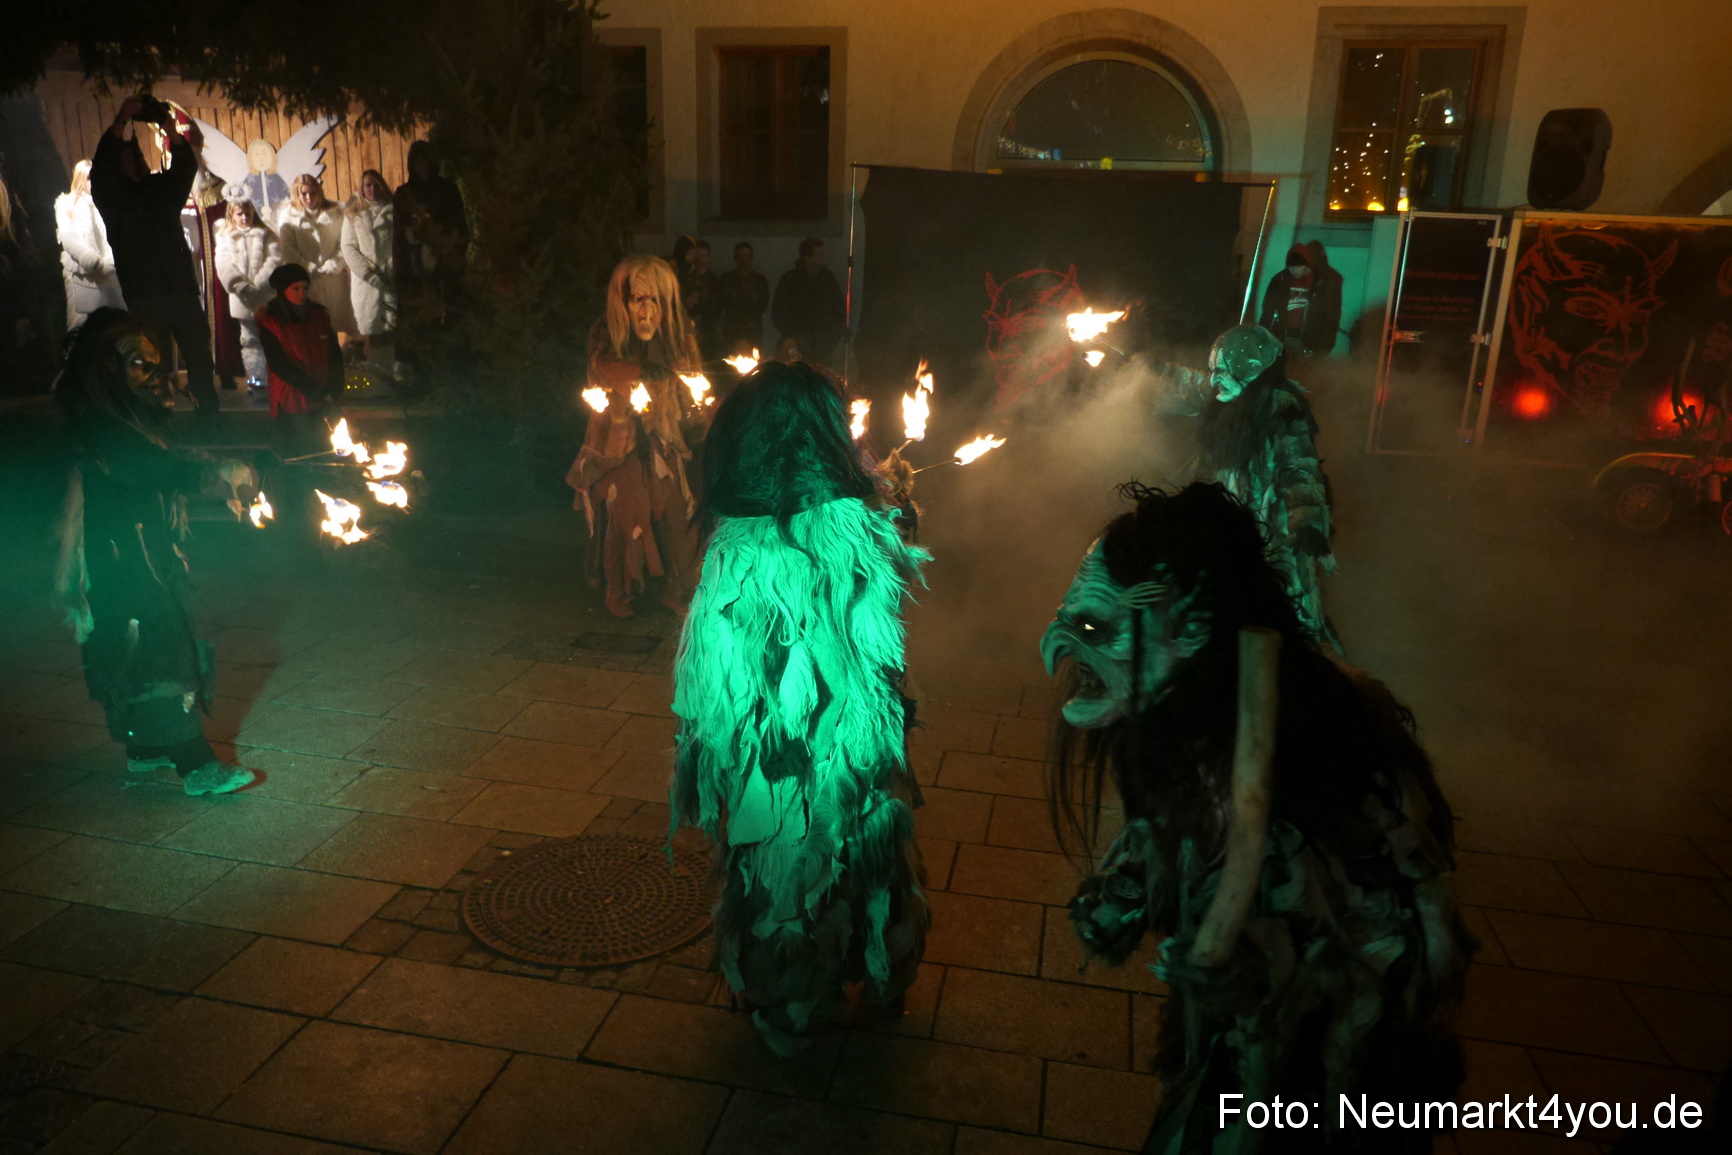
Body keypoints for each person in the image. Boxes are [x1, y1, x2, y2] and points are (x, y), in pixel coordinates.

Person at [1043, 481, 1472, 1154]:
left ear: (1187, 624)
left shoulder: (1300, 758)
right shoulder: (1192, 723)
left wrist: (1258, 964)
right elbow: (1180, 838)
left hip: (1324, 1080)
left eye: (1094, 624)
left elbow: (1392, 934)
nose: (1061, 647)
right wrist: (1131, 884)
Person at [671, 359, 930, 1057]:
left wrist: (717, 750)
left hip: (775, 753)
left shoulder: (738, 541)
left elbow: (719, 669)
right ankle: (878, 976)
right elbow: (883, 634)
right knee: (864, 847)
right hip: (852, 740)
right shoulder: (859, 526)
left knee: (784, 866)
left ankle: (791, 1002)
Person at [53, 308, 260, 796]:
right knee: (156, 638)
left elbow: (158, 458)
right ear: (108, 367)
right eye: (137, 365)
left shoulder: (117, 409)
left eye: (152, 362)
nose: (150, 374)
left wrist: (212, 467)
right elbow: (140, 465)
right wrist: (211, 476)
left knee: (135, 639)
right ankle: (196, 765)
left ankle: (146, 748)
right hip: (118, 551)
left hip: (138, 542)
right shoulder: (94, 416)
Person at [1154, 323, 1339, 650]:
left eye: (1224, 371)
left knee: (1284, 620)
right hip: (1227, 533)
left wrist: (1309, 525)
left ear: (1251, 371)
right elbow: (1194, 384)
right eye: (1214, 370)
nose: (1214, 379)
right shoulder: (1224, 400)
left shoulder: (1282, 412)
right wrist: (1152, 368)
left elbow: (1299, 469)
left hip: (1272, 537)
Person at [565, 255, 707, 618]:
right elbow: (601, 370)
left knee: (677, 509)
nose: (645, 310)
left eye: (653, 300)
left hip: (665, 437)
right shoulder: (607, 333)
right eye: (636, 299)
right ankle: (618, 588)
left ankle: (679, 587)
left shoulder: (678, 334)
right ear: (623, 302)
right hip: (618, 440)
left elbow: (695, 386)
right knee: (625, 509)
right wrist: (645, 371)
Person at [89, 96, 219, 415]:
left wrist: (169, 129)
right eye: (127, 159)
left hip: (181, 289)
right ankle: (161, 422)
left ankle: (209, 418)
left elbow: (185, 166)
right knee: (153, 365)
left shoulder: (161, 190)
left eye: (136, 157)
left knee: (200, 360)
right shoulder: (114, 199)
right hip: (145, 293)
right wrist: (121, 119)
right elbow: (102, 168)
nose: (134, 163)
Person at [393, 140, 468, 357]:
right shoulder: (404, 194)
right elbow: (399, 236)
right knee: (419, 322)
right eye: (417, 162)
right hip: (415, 271)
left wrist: (449, 255)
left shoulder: (448, 190)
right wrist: (404, 272)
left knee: (447, 320)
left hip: (445, 268)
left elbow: (459, 228)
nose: (422, 166)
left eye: (425, 161)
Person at [213, 191, 281, 388]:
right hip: (242, 299)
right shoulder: (225, 237)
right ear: (231, 215)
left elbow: (273, 260)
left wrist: (259, 284)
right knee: (249, 340)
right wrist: (239, 285)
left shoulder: (267, 234)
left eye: (247, 214)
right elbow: (224, 264)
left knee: (270, 337)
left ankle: (275, 380)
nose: (244, 218)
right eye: (239, 214)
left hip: (265, 296)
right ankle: (257, 379)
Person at [276, 174, 355, 341]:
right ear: (297, 194)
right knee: (311, 327)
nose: (308, 198)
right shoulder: (288, 216)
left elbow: (344, 241)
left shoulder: (335, 212)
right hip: (305, 280)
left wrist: (334, 263)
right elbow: (288, 248)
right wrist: (307, 268)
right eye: (304, 194)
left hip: (333, 278)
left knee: (334, 323)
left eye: (312, 193)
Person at [341, 169, 398, 378]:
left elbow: (399, 243)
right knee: (373, 333)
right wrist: (370, 274)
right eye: (367, 185)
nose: (372, 189)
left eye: (375, 184)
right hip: (367, 284)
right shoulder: (353, 214)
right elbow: (348, 248)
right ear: (361, 188)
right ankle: (378, 378)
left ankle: (394, 377)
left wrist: (389, 268)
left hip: (391, 280)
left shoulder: (394, 211)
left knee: (392, 330)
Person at [55, 161, 126, 329]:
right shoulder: (67, 203)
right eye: (88, 178)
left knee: (117, 327)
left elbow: (114, 234)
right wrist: (90, 260)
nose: (93, 182)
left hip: (109, 275)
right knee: (82, 329)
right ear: (80, 179)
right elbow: (67, 236)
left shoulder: (106, 203)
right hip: (82, 275)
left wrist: (110, 261)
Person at [1258, 241, 1343, 367]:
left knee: (1302, 375)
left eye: (1299, 266)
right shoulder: (1280, 280)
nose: (1295, 270)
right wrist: (1262, 341)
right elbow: (1267, 312)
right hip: (1283, 337)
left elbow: (1330, 316)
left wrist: (1323, 348)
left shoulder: (1321, 282)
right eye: (1292, 266)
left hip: (1307, 341)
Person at [771, 237, 845, 366]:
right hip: (798, 342)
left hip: (823, 344)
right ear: (807, 257)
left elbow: (839, 309)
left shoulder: (828, 279)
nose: (823, 258)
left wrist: (831, 336)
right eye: (819, 255)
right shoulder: (790, 280)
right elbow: (779, 311)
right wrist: (791, 336)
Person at [716, 241, 769, 354]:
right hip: (731, 331)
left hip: (753, 331)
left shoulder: (759, 280)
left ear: (751, 258)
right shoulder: (726, 280)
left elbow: (763, 306)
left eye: (747, 256)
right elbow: (720, 304)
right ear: (735, 258)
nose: (744, 259)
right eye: (741, 256)